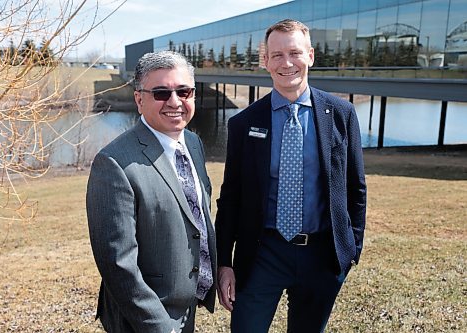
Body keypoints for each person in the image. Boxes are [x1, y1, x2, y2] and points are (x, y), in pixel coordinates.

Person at [215, 19, 367, 333]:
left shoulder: (341, 114)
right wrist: (224, 262)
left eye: (295, 53)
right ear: (265, 62)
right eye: (277, 55)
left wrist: (352, 248)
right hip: (261, 254)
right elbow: (231, 198)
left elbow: (356, 187)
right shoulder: (244, 123)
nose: (287, 63)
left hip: (321, 256)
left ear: (310, 55)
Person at [86, 51, 216, 333]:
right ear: (138, 99)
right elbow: (117, 262)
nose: (174, 102)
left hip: (185, 305)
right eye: (161, 93)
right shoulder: (114, 163)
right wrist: (158, 326)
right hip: (145, 318)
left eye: (184, 91)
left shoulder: (193, 143)